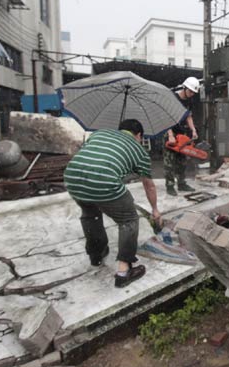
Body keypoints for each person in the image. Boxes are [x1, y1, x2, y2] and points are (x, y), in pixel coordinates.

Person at [64, 119, 161, 288]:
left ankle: (96, 254)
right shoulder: (140, 151)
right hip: (104, 181)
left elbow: (94, 156)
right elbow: (149, 185)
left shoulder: (100, 133)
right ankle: (124, 272)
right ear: (139, 135)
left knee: (91, 214)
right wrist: (155, 209)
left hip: (73, 177)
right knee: (129, 220)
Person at [164, 77, 200, 196]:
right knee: (170, 161)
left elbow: (188, 116)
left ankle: (181, 183)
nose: (192, 94)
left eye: (194, 93)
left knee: (182, 160)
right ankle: (169, 185)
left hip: (181, 132)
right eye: (190, 91)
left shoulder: (189, 101)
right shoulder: (172, 98)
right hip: (169, 131)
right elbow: (166, 116)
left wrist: (193, 130)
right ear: (184, 88)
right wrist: (170, 135)